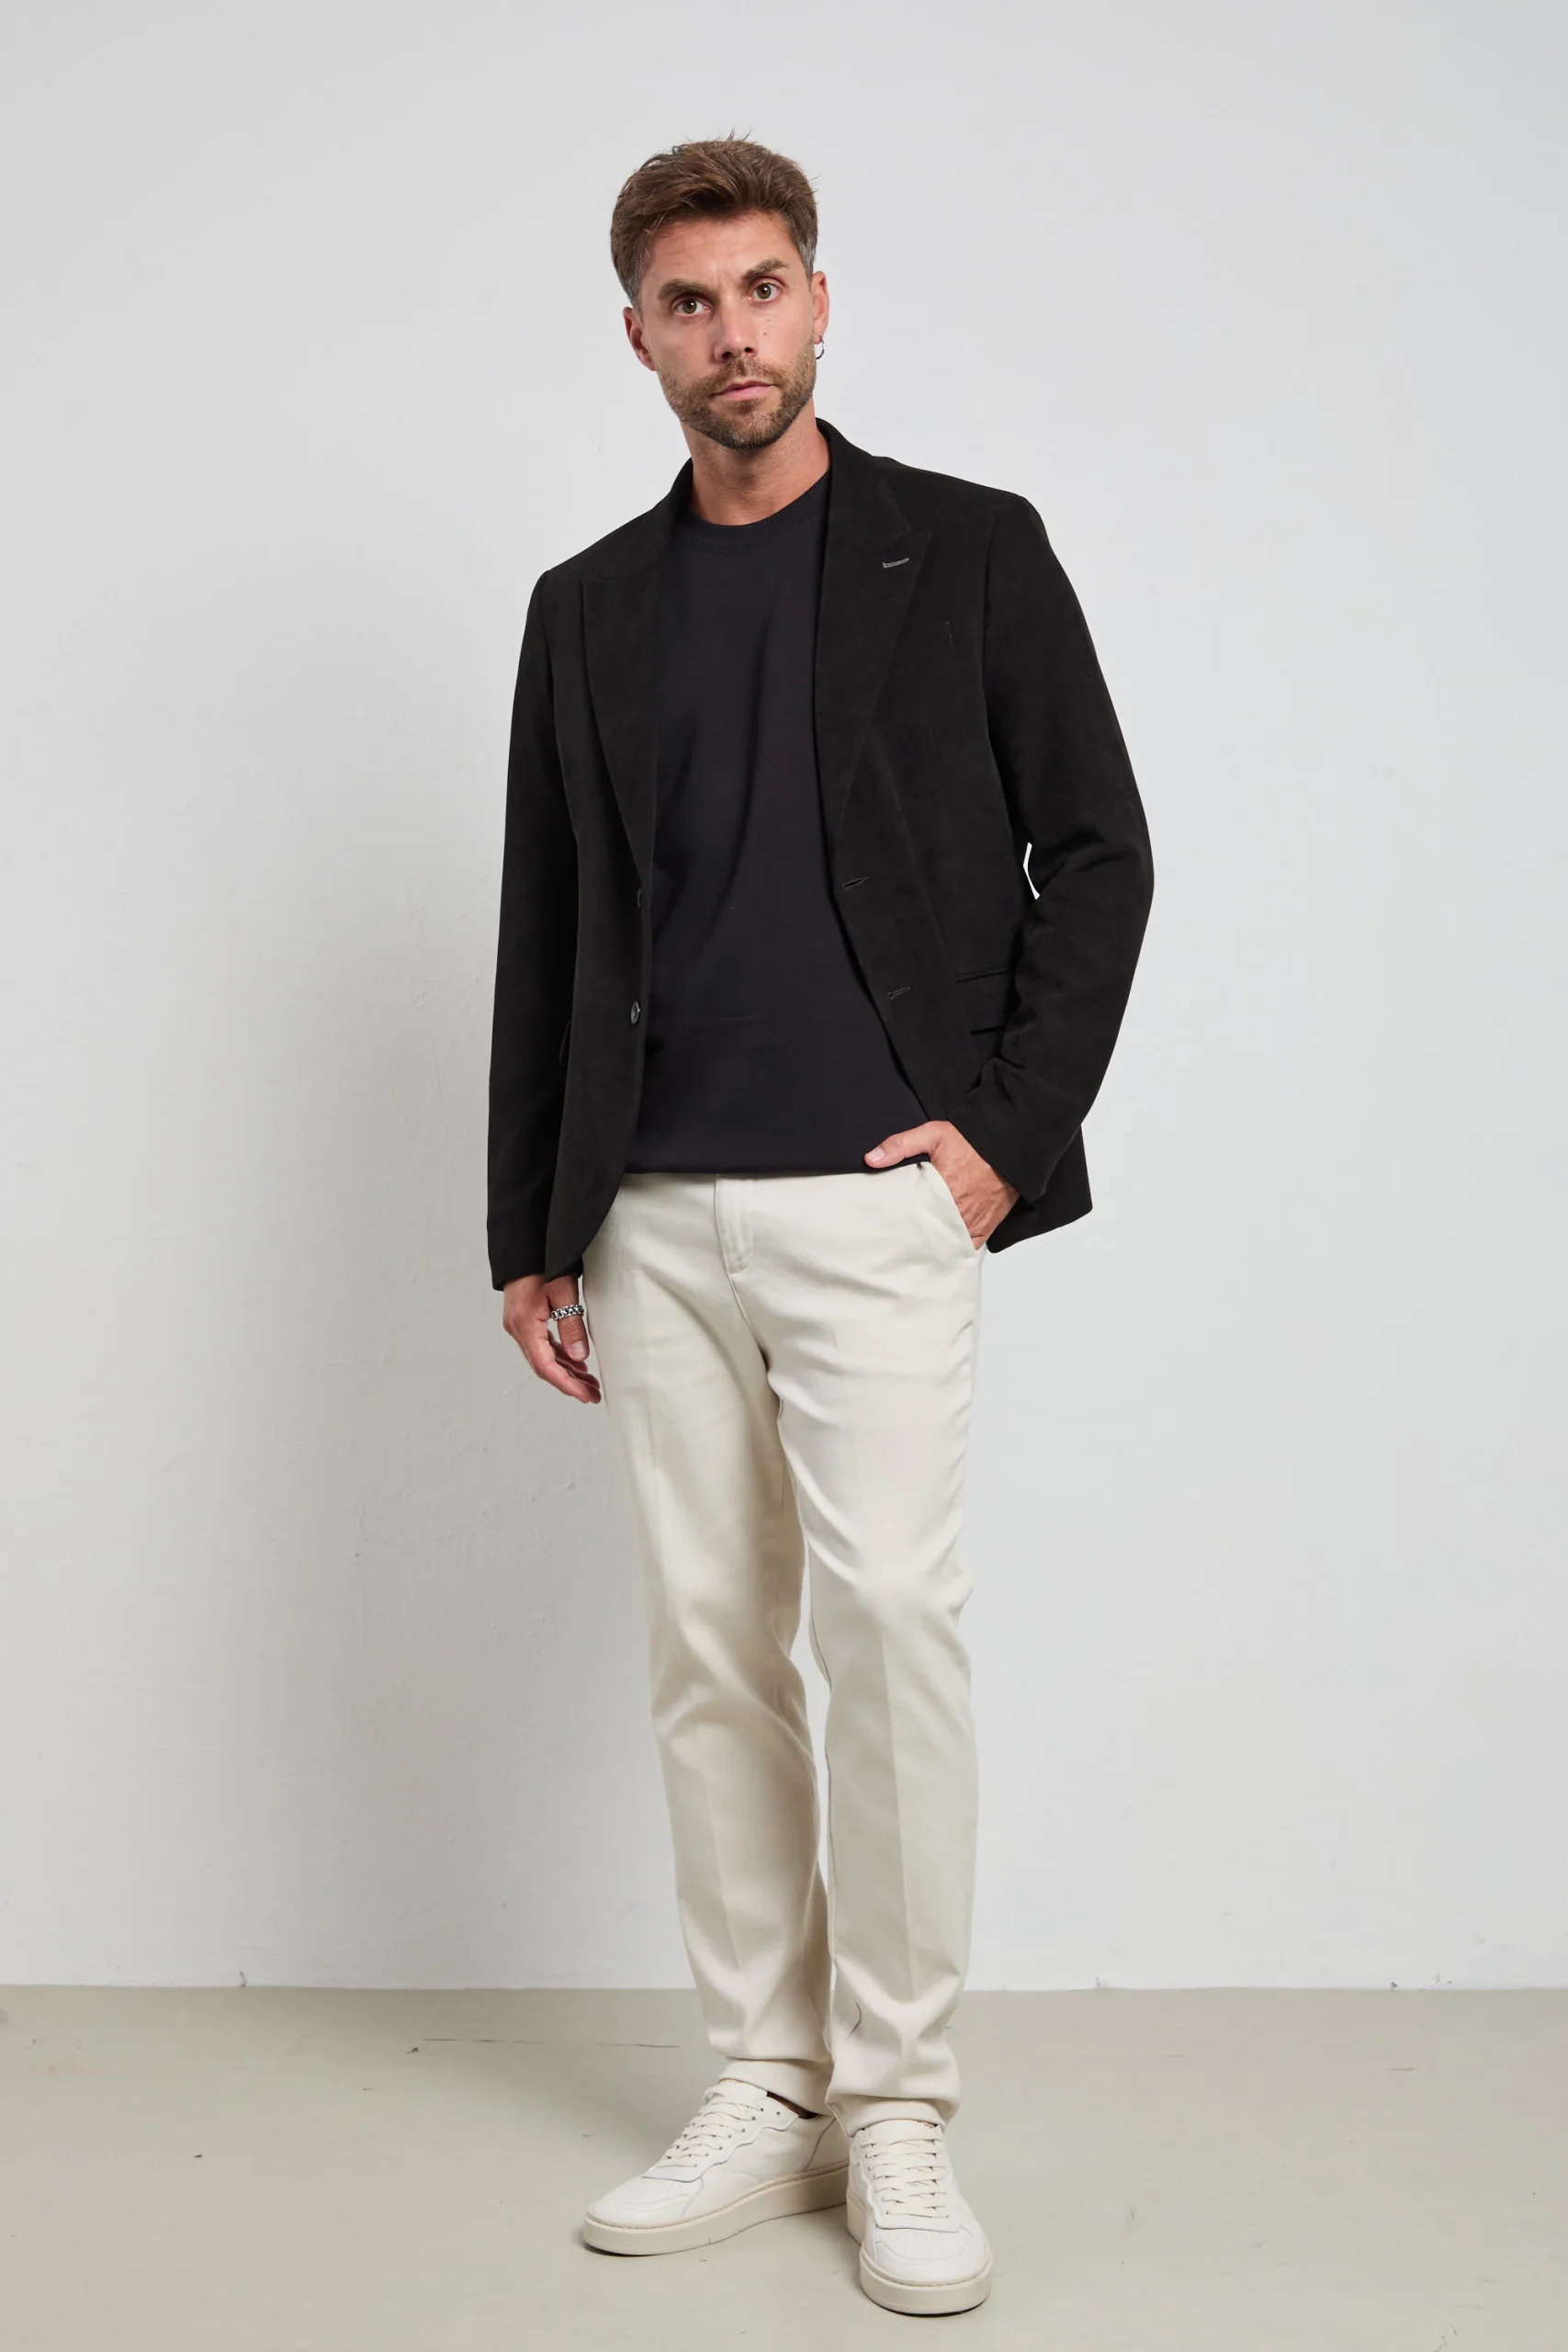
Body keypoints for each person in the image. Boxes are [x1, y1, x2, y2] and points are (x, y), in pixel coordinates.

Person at [486, 134, 1153, 2317]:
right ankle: (766, 2077)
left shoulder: (966, 550)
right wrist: (530, 1223)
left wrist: (1001, 1136)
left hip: (879, 1200)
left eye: (762, 286)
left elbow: (1097, 848)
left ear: (820, 300)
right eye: (690, 303)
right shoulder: (587, 605)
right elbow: (550, 922)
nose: (733, 333)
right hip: (652, 1205)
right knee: (709, 1650)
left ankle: (899, 2102)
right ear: (639, 337)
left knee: (885, 1632)